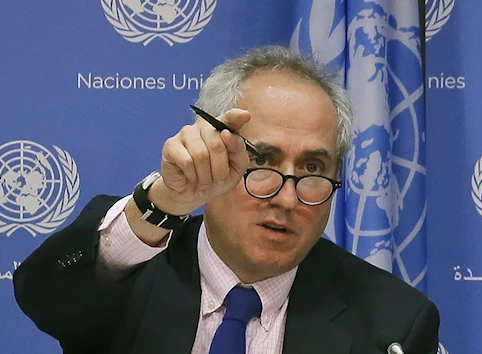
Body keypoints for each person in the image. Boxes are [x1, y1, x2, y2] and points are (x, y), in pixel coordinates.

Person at [13, 46, 440, 354]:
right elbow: (43, 296)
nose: (287, 198)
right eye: (261, 160)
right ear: (210, 149)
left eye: (312, 169)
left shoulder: (392, 325)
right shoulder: (131, 277)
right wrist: (165, 202)